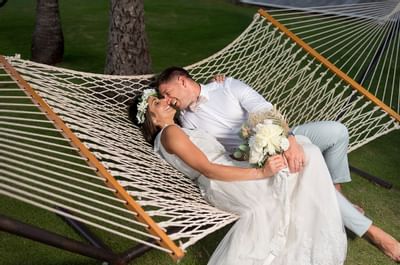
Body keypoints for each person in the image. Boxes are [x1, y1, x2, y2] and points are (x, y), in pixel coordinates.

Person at [154, 66, 400, 262]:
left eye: (168, 93)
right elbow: (206, 155)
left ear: (183, 81)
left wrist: (290, 138)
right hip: (250, 156)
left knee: (337, 132)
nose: (167, 100)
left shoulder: (226, 86)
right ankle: (374, 234)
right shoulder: (183, 121)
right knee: (306, 162)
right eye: (162, 98)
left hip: (275, 133)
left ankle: (335, 198)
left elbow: (261, 108)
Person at [129, 91, 347, 265]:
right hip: (223, 182)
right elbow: (208, 168)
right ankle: (325, 231)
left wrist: (245, 155)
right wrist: (261, 172)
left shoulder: (176, 131)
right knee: (306, 155)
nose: (165, 101)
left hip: (228, 172)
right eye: (157, 103)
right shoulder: (169, 133)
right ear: (152, 118)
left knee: (302, 153)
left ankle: (317, 233)